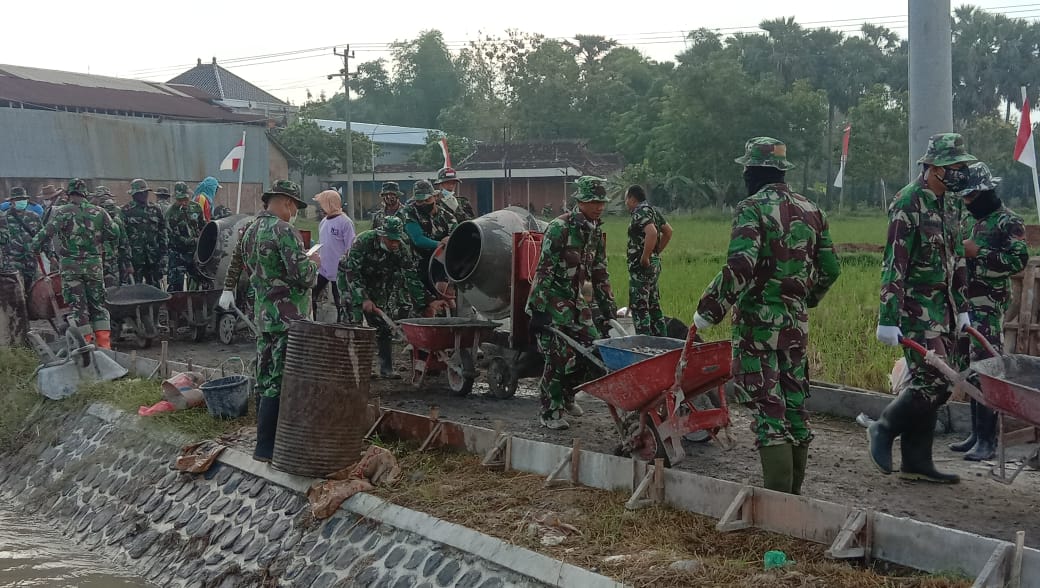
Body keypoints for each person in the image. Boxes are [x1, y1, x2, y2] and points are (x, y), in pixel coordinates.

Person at [693, 137, 840, 495]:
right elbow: (831, 268)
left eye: (746, 169)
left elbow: (740, 266)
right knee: (793, 407)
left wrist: (707, 313)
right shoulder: (811, 210)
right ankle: (793, 497)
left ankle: (778, 504)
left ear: (753, 171)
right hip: (794, 327)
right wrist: (805, 298)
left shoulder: (751, 208)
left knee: (768, 410)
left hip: (757, 329)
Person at [870, 132, 978, 484]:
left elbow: (957, 258)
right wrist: (888, 317)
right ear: (933, 167)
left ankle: (917, 460)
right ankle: (884, 428)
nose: (959, 172)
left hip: (944, 308)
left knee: (943, 384)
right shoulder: (908, 202)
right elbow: (894, 264)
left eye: (961, 167)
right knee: (934, 377)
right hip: (915, 308)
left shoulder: (952, 204)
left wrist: (962, 308)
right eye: (953, 167)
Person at [947, 162, 1029, 461]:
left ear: (985, 192)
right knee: (971, 369)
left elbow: (1018, 261)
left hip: (989, 306)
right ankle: (975, 434)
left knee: (987, 371)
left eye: (971, 197)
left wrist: (977, 253)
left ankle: (988, 440)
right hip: (966, 305)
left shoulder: (1009, 221)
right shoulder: (972, 222)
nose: (967, 202)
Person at [526, 176, 617, 430]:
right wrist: (539, 310)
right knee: (558, 356)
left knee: (592, 350)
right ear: (580, 201)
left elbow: (600, 271)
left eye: (602, 201)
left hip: (576, 301)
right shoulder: (559, 228)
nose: (599, 206)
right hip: (552, 300)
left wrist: (608, 306)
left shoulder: (595, 230)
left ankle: (567, 395)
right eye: (593, 201)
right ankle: (549, 410)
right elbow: (543, 271)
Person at [239, 180, 319, 462]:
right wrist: (314, 262)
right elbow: (303, 275)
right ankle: (271, 447)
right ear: (287, 202)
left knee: (264, 376)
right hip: (289, 318)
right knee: (281, 378)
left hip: (264, 315)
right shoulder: (284, 230)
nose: (294, 212)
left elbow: (250, 270)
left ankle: (262, 445)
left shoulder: (250, 230)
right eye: (295, 207)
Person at [340, 216, 447, 377]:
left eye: (397, 240)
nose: (394, 244)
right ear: (382, 235)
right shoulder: (363, 242)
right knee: (354, 324)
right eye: (391, 240)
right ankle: (356, 369)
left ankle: (386, 369)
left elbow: (411, 277)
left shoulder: (401, 249)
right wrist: (363, 298)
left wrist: (428, 302)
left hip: (379, 280)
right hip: (350, 280)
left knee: (383, 325)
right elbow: (352, 273)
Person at [31, 179, 117, 348]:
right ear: (85, 193)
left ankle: (86, 347)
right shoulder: (100, 212)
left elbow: (44, 235)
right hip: (94, 266)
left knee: (79, 309)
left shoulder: (63, 212)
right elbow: (115, 232)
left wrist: (35, 247)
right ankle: (104, 347)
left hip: (72, 268)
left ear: (69, 194)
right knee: (98, 307)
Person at [625, 185, 673, 336]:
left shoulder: (640, 213)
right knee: (653, 304)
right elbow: (668, 231)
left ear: (632, 199)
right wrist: (656, 252)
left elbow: (651, 232)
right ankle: (662, 340)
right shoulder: (653, 211)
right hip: (654, 266)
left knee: (640, 307)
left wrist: (645, 256)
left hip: (642, 267)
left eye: (626, 199)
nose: (626, 203)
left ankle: (644, 342)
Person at [402, 180, 457, 295]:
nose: (423, 204)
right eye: (419, 201)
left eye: (427, 200)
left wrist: (450, 241)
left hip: (441, 262)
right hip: (416, 264)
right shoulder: (410, 212)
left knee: (444, 294)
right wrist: (440, 244)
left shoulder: (448, 217)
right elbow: (417, 239)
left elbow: (456, 237)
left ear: (435, 197)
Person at [313, 189, 355, 319]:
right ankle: (314, 321)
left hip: (339, 271)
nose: (321, 208)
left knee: (340, 302)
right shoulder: (323, 222)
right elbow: (321, 243)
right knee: (312, 296)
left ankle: (341, 326)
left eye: (323, 204)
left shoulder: (345, 222)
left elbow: (351, 247)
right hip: (323, 270)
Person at [121, 179, 168, 288]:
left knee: (156, 290)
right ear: (134, 195)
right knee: (135, 291)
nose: (144, 195)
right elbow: (123, 239)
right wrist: (127, 262)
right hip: (135, 259)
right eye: (140, 193)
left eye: (145, 192)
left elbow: (163, 234)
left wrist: (163, 256)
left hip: (153, 258)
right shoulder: (126, 211)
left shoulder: (156, 210)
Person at [2, 187, 52, 286]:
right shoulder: (4, 219)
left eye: (23, 199)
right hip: (12, 263)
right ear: (12, 201)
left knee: (34, 291)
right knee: (16, 293)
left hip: (31, 262)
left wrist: (50, 255)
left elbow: (43, 237)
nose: (21, 202)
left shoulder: (34, 216)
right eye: (18, 199)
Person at [165, 184, 207, 292]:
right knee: (176, 285)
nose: (183, 202)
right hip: (177, 253)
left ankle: (196, 306)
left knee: (199, 282)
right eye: (180, 200)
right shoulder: (170, 213)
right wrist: (191, 241)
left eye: (185, 199)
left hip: (194, 253)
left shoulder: (196, 208)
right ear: (176, 198)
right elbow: (172, 235)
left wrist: (202, 240)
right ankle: (176, 307)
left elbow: (203, 226)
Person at [93, 187, 134, 288]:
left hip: (110, 260)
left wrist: (127, 263)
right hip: (100, 260)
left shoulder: (115, 218)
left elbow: (123, 242)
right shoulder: (92, 216)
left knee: (112, 289)